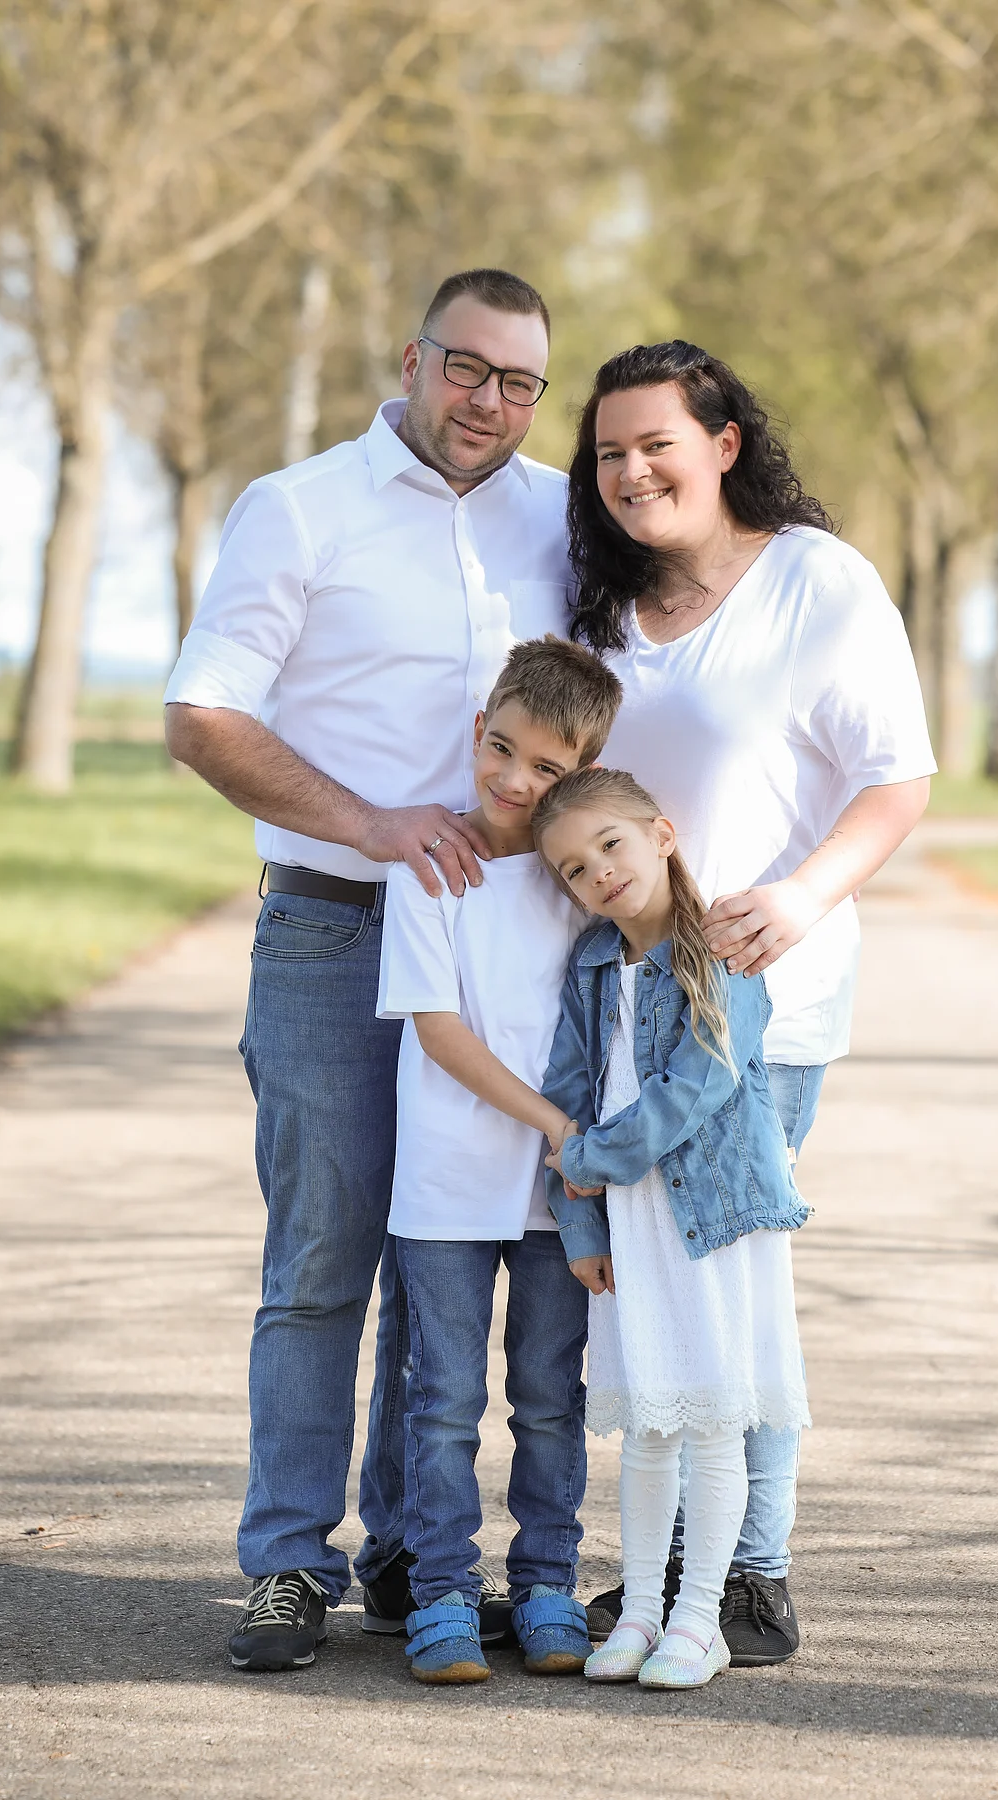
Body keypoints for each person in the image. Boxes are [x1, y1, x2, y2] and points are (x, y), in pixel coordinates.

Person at [163, 267, 571, 1673]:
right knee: (324, 1256)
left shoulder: (560, 518)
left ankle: (412, 1555)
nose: (489, 401)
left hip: (498, 941)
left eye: (520, 382)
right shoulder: (299, 507)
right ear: (411, 358)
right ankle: (288, 1561)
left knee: (445, 1255)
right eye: (467, 367)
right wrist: (372, 823)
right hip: (334, 926)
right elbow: (202, 714)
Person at [565, 340, 936, 1665]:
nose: (630, 472)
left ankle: (752, 1573)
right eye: (609, 452)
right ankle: (677, 1572)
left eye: (656, 444)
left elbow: (896, 779)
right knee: (661, 1296)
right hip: (628, 1010)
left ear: (725, 445)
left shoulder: (816, 584)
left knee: (737, 1290)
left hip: (757, 1007)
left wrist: (803, 896)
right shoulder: (602, 608)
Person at [532, 764, 811, 1690]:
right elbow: (568, 1095)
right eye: (574, 868)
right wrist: (581, 1227)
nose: (598, 873)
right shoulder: (591, 963)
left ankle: (700, 1620)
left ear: (661, 834)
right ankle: (642, 1612)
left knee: (715, 1422)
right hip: (631, 1221)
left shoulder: (722, 953)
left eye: (610, 844)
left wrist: (589, 1160)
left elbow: (695, 1090)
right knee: (650, 1424)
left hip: (715, 1219)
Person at [377, 637, 622, 1685]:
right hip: (446, 1181)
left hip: (559, 1194)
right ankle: (439, 1591)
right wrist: (555, 1123)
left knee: (549, 1396)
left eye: (549, 768)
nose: (516, 780)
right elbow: (440, 1031)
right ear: (479, 729)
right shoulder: (431, 865)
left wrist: (573, 1145)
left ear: (585, 769)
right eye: (502, 749)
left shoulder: (581, 881)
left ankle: (546, 1586)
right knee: (439, 1400)